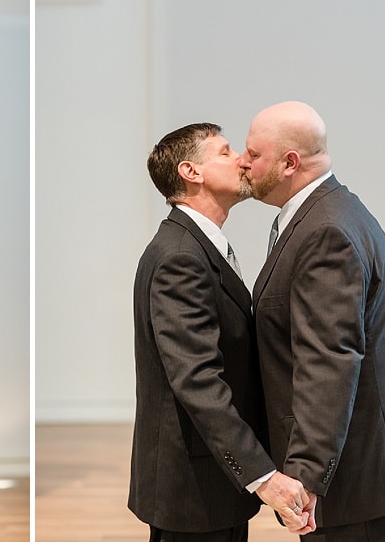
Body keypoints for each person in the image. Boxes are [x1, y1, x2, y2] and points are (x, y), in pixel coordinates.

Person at [240, 101, 385, 541]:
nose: (242, 162)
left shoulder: (326, 231)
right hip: (354, 472)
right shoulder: (328, 213)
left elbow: (329, 360)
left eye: (253, 153)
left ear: (290, 163)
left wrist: (305, 477)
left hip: (351, 481)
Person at [129, 123, 315, 542]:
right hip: (193, 489)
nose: (242, 160)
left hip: (211, 483)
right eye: (226, 152)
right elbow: (196, 379)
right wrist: (263, 476)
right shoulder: (180, 257)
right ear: (191, 172)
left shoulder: (196, 246)